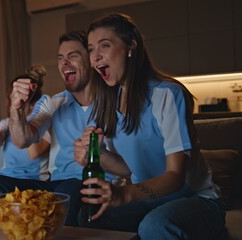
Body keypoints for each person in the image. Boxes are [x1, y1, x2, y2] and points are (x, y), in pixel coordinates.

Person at [75, 13, 225, 239]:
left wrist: (124, 194)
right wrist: (96, 153)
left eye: (104, 45)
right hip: (149, 200)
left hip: (196, 200)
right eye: (91, 49)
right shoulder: (108, 102)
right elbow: (127, 168)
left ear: (130, 47)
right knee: (90, 218)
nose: (96, 56)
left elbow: (175, 176)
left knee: (154, 226)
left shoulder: (167, 94)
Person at [0, 30, 96, 226]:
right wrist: (16, 108)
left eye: (73, 56)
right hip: (55, 184)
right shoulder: (52, 102)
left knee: (70, 189)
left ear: (91, 60)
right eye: (61, 58)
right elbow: (22, 140)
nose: (65, 63)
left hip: (89, 183)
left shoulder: (111, 101)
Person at [0, 64, 50, 181]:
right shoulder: (6, 123)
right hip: (7, 178)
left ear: (33, 104)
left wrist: (21, 110)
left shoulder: (43, 123)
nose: (12, 102)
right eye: (12, 98)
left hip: (34, 181)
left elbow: (34, 153)